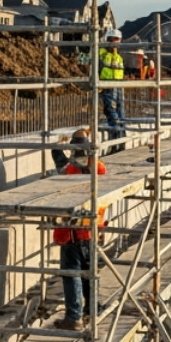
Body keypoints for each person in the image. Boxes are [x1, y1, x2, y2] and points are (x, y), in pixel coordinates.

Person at [53, 132, 107, 331]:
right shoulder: (98, 167)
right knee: (89, 273)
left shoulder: (72, 169)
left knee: (72, 273)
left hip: (73, 232)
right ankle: (92, 312)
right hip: (92, 231)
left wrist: (57, 145)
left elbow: (60, 163)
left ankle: (74, 317)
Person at [98, 32, 127, 143]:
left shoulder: (119, 56)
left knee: (119, 112)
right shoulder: (102, 52)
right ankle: (117, 138)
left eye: (116, 39)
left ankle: (120, 138)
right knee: (111, 111)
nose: (114, 42)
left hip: (118, 85)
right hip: (107, 85)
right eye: (111, 39)